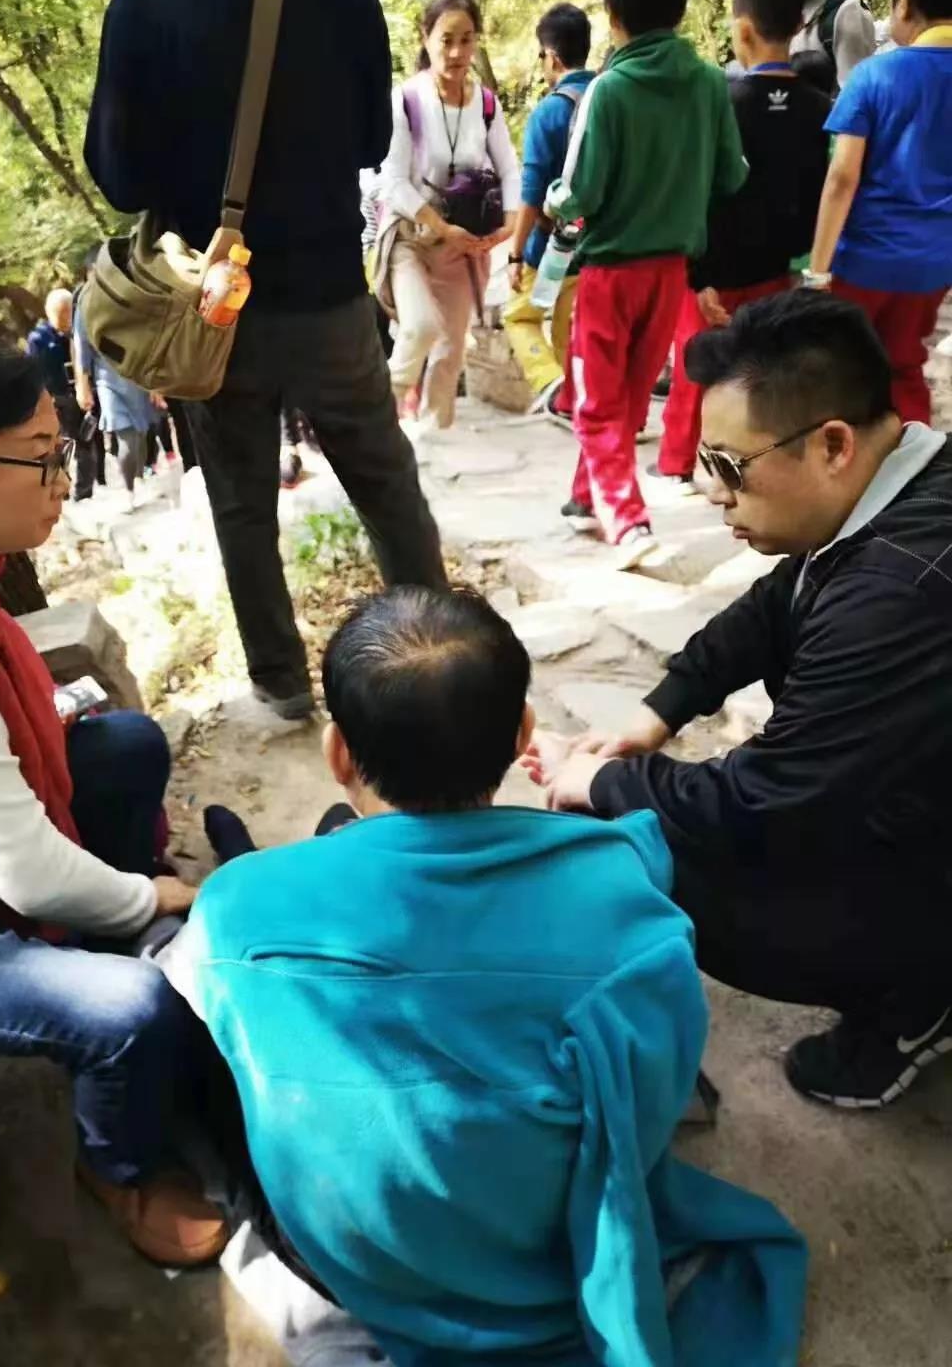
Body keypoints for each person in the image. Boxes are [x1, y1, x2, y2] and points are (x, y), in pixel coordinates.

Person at [162, 585, 807, 1367]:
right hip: (530, 1257)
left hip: (348, 1260)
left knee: (268, 901)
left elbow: (212, 1008)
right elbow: (645, 1114)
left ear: (338, 753)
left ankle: (250, 842)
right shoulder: (629, 919)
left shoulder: (235, 909)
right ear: (523, 733)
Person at [529, 291, 952, 1112]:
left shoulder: (899, 590)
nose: (709, 490)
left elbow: (771, 800)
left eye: (728, 466)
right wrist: (656, 715)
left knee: (651, 856)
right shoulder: (902, 481)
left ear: (832, 444)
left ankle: (916, 999)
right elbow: (773, 606)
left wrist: (605, 783)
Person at [0, 332, 228, 1267]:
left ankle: (112, 928)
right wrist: (153, 896)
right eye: (38, 459)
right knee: (128, 1012)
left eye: (59, 449)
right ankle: (119, 1167)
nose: (61, 479)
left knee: (125, 744)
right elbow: (25, 869)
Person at [84, 0, 445, 722]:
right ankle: (438, 655)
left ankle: (281, 683)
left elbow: (119, 178)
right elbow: (372, 139)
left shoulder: (141, 0)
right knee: (385, 482)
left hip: (214, 311)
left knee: (242, 502)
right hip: (328, 292)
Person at [547, 0, 748, 561]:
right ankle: (587, 497)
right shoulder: (709, 82)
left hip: (610, 271)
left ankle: (627, 521)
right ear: (680, 10)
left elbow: (578, 191)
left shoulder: (609, 89)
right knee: (632, 394)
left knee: (596, 400)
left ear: (613, 16)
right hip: (670, 271)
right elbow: (732, 175)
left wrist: (554, 202)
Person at [655, 0, 831, 487]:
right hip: (778, 269)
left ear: (743, 30)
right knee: (760, 369)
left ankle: (677, 462)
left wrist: (698, 274)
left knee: (696, 366)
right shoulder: (820, 108)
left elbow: (699, 193)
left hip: (716, 271)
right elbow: (822, 191)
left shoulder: (723, 105)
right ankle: (756, 459)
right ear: (799, 24)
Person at [808, 0, 952, 425]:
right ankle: (916, 456)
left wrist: (818, 271)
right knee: (904, 362)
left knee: (844, 368)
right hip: (933, 266)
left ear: (903, 3)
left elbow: (841, 179)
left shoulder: (874, 76)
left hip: (864, 264)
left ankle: (851, 456)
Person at [378, 0, 521, 431]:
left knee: (451, 350)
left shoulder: (486, 104)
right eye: (446, 39)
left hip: (463, 247)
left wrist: (510, 224)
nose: (457, 52)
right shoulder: (406, 100)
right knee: (421, 327)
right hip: (412, 239)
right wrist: (440, 225)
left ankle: (433, 438)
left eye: (467, 39)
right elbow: (393, 181)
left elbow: (509, 168)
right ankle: (374, 425)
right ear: (426, 37)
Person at [502, 3, 594, 417]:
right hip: (594, 246)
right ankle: (574, 402)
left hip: (551, 249)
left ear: (552, 57)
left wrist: (515, 254)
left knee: (519, 317)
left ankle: (551, 383)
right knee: (567, 329)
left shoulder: (550, 112)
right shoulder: (608, 100)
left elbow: (531, 192)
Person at [72, 302, 157, 511]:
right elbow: (81, 344)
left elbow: (149, 333)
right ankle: (128, 489)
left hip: (137, 375)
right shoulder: (86, 299)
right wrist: (82, 384)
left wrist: (156, 379)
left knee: (140, 432)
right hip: (107, 380)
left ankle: (139, 477)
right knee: (126, 434)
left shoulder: (130, 291)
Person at [26, 289, 96, 503]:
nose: (66, 318)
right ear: (50, 313)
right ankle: (61, 489)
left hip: (82, 395)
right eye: (61, 313)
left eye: (68, 312)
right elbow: (34, 372)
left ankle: (84, 491)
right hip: (58, 399)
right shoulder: (39, 338)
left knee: (87, 442)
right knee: (61, 447)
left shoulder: (79, 332)